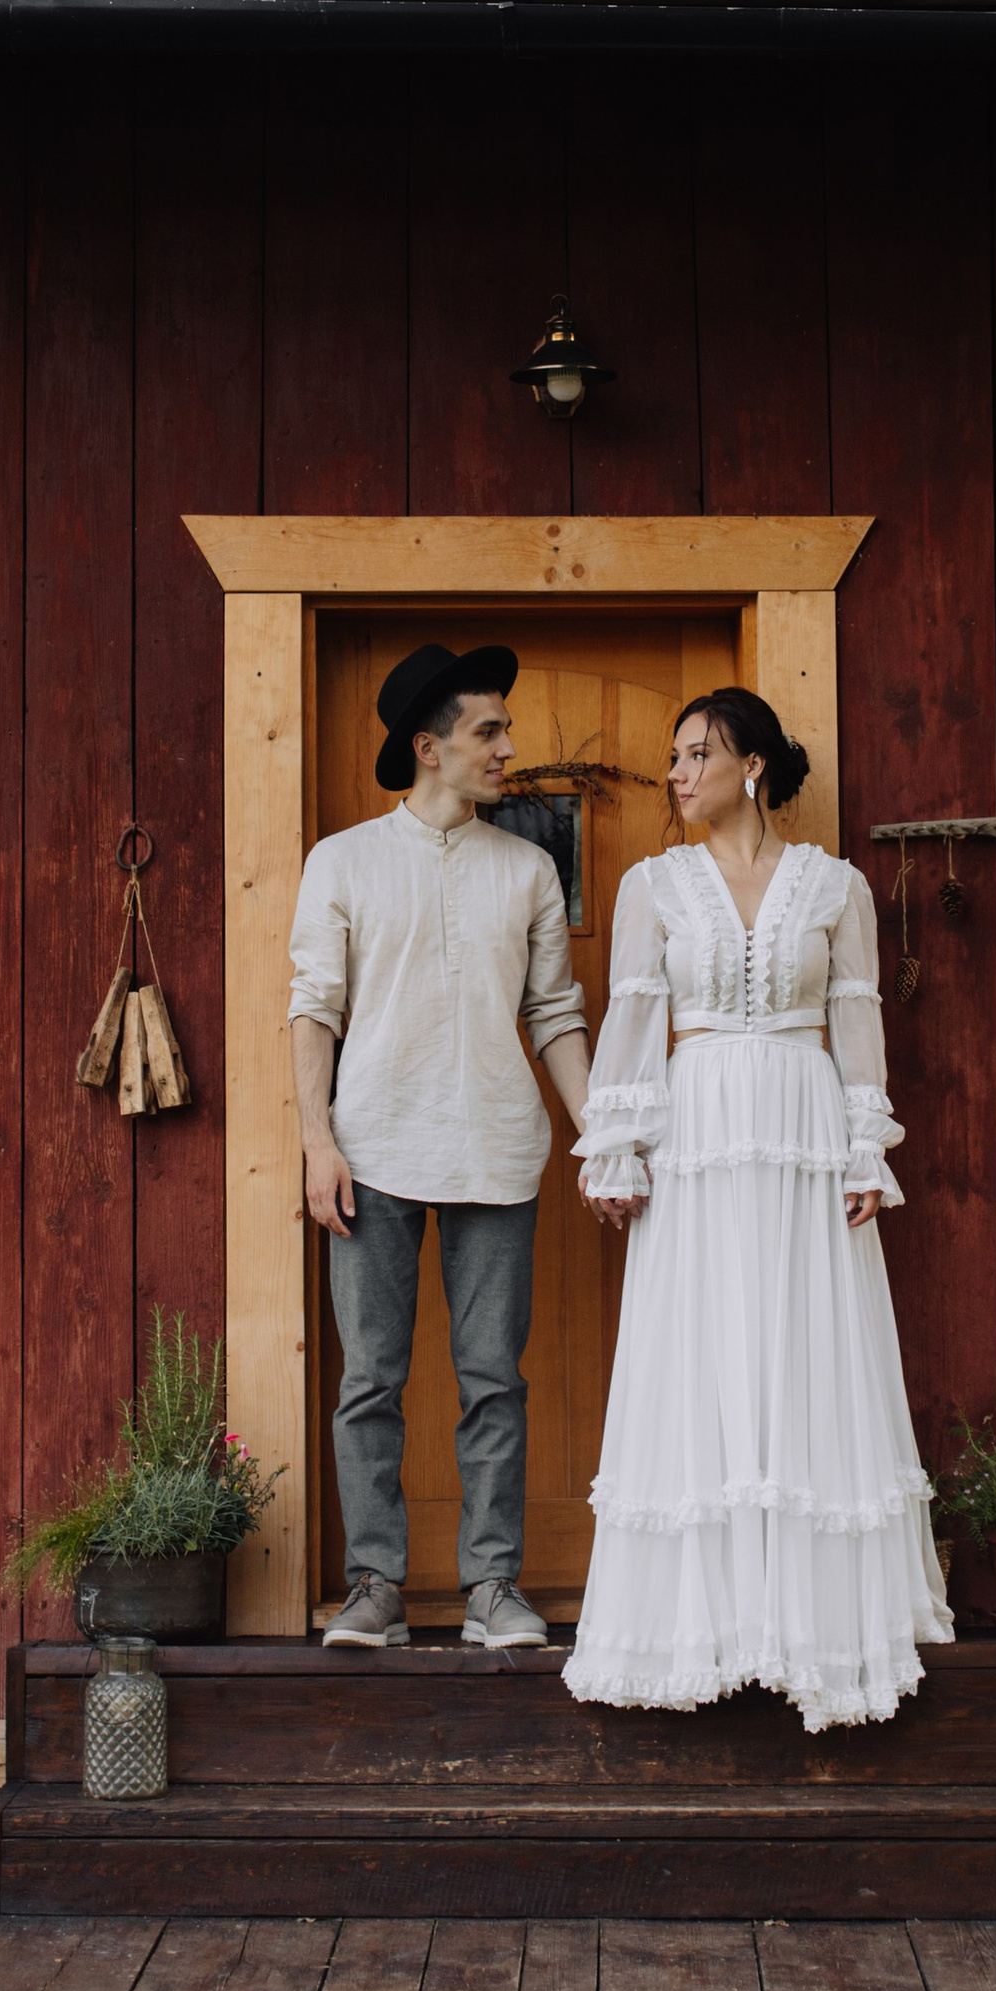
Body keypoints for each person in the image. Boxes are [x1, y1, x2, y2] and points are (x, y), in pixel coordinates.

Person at [564, 687, 952, 1731]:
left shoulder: (835, 888)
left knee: (804, 1352)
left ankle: (811, 1627)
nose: (679, 774)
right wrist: (616, 1148)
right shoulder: (653, 887)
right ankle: (703, 1627)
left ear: (754, 768)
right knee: (701, 1353)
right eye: (674, 757)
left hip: (802, 1127)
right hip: (696, 1138)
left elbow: (855, 1017)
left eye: (700, 754)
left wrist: (866, 1147)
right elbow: (635, 1022)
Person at [289, 640, 591, 1651]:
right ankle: (374, 1582)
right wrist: (314, 1141)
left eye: (504, 728)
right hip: (369, 1151)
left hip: (498, 1151)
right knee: (369, 1376)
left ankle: (491, 1586)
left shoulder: (528, 867)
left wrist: (598, 1132)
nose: (508, 746)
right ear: (429, 746)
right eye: (488, 730)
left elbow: (553, 1012)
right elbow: (313, 1010)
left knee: (492, 1378)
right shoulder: (341, 862)